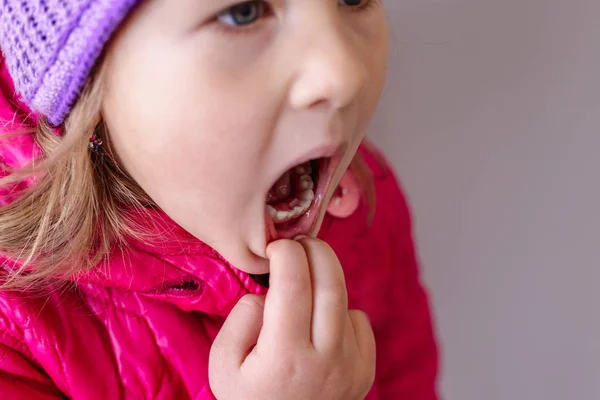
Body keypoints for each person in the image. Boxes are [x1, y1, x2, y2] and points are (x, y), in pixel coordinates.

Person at [0, 0, 439, 398]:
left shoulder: (364, 201)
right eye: (243, 12)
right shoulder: (13, 333)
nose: (345, 74)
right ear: (86, 86)